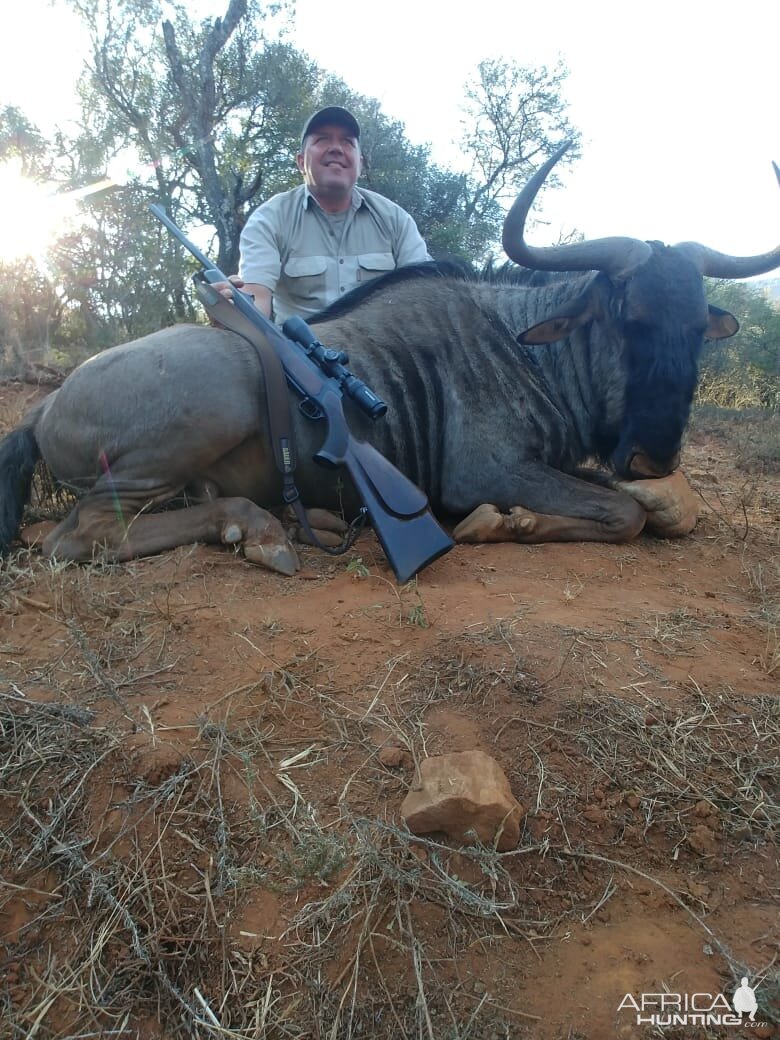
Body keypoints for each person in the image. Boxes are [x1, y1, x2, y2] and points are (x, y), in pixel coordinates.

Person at [236, 106, 431, 323]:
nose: (336, 148)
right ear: (301, 162)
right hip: (296, 354)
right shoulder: (270, 219)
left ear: (360, 164)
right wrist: (234, 311)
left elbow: (425, 299)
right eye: (322, 139)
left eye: (347, 141)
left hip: (383, 354)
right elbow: (256, 297)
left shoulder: (396, 220)